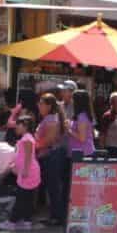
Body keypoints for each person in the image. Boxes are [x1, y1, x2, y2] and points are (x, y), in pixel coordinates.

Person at [0, 115, 42, 231]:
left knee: (21, 198)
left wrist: (25, 171)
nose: (16, 127)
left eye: (18, 124)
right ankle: (26, 221)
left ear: (25, 126)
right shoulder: (26, 138)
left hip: (28, 172)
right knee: (27, 198)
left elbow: (28, 157)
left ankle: (12, 222)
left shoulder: (27, 139)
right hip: (27, 171)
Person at [35, 92, 67, 225]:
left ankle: (57, 217)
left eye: (41, 103)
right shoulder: (50, 118)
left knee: (54, 187)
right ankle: (55, 215)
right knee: (52, 187)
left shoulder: (51, 119)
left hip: (52, 155)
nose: (38, 105)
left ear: (49, 106)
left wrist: (33, 146)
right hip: (50, 155)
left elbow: (50, 140)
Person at [67, 89, 96, 157]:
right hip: (78, 153)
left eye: (73, 99)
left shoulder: (82, 117)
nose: (71, 101)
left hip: (83, 154)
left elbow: (82, 138)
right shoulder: (81, 116)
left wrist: (69, 129)